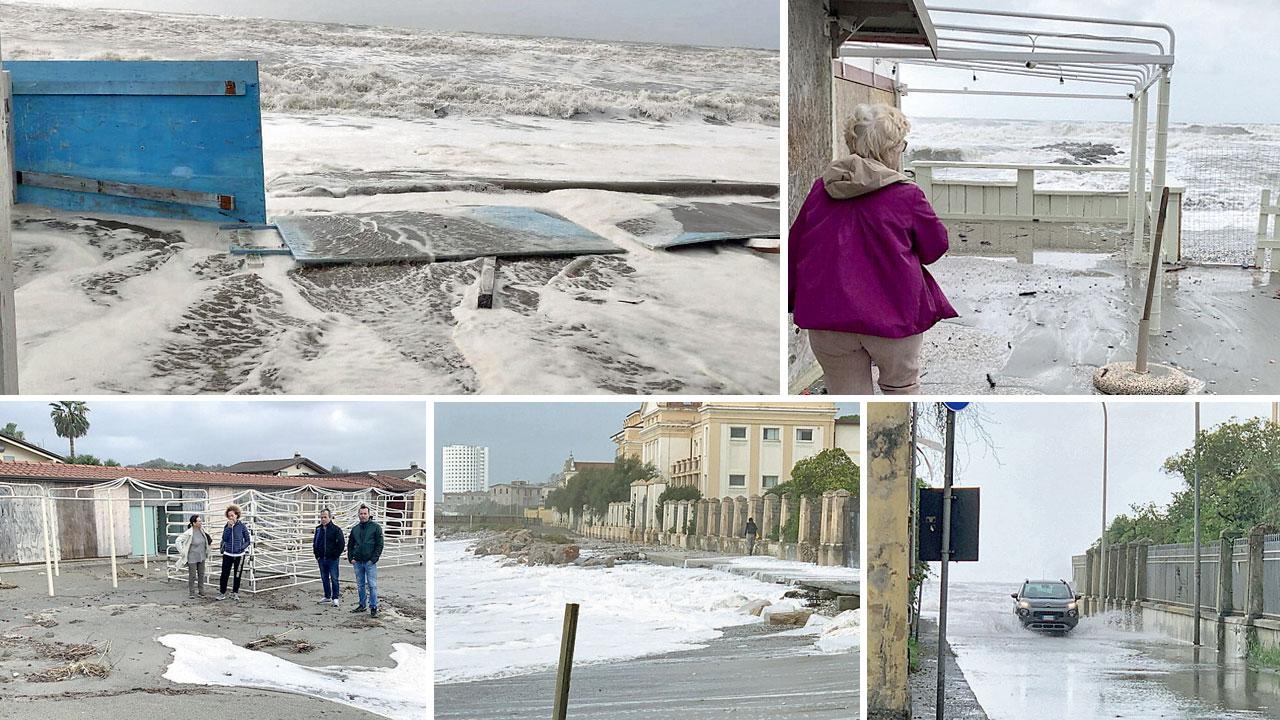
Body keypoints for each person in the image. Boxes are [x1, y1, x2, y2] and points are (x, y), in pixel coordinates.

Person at [789, 103, 957, 395]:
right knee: (900, 394)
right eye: (901, 145)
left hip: (829, 320)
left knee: (848, 396)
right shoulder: (906, 195)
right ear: (890, 149)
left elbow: (796, 246)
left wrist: (794, 301)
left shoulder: (822, 189)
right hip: (894, 318)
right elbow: (935, 248)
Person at [347, 504, 384, 618]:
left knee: (372, 585)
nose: (363, 516)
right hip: (358, 562)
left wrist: (374, 559)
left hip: (369, 562)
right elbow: (350, 545)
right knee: (360, 585)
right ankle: (362, 604)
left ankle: (373, 607)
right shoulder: (355, 529)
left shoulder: (376, 528)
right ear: (358, 515)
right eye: (361, 514)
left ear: (369, 514)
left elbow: (380, 544)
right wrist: (351, 558)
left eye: (365, 513)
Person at [216, 504, 252, 602]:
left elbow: (248, 540)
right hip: (228, 554)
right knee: (224, 574)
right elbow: (224, 538)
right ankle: (222, 593)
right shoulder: (227, 526)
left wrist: (241, 548)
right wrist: (229, 527)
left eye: (232, 515)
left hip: (239, 555)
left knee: (237, 574)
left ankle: (235, 592)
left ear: (237, 515)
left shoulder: (242, 526)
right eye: (229, 516)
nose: (231, 518)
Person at [313, 508, 345, 608]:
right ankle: (327, 596)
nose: (323, 519)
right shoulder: (318, 529)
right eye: (321, 517)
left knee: (334, 578)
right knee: (324, 578)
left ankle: (335, 597)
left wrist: (335, 555)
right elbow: (315, 542)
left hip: (332, 559)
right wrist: (317, 555)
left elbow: (341, 544)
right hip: (322, 558)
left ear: (330, 518)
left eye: (325, 517)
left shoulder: (336, 529)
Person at [175, 514, 213, 599]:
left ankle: (201, 591)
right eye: (199, 521)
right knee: (192, 575)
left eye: (200, 521)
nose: (200, 522)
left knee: (201, 574)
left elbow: (207, 540)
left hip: (201, 555)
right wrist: (182, 552)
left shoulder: (202, 530)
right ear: (194, 523)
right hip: (192, 556)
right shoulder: (189, 532)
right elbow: (178, 540)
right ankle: (192, 592)